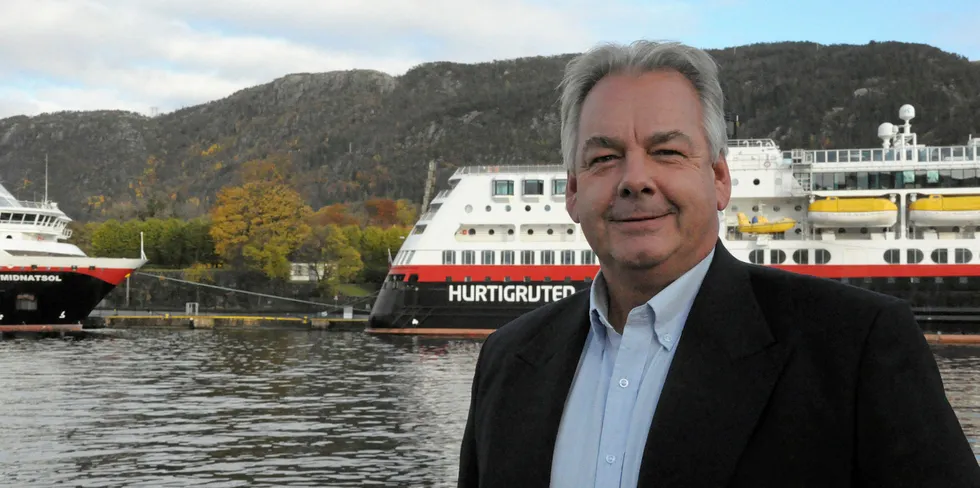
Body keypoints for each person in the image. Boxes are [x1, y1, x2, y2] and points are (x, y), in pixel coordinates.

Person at [456, 40, 980, 487]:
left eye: (667, 152)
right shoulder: (507, 359)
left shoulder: (855, 347)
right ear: (573, 191)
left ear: (721, 179)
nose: (634, 179)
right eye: (603, 158)